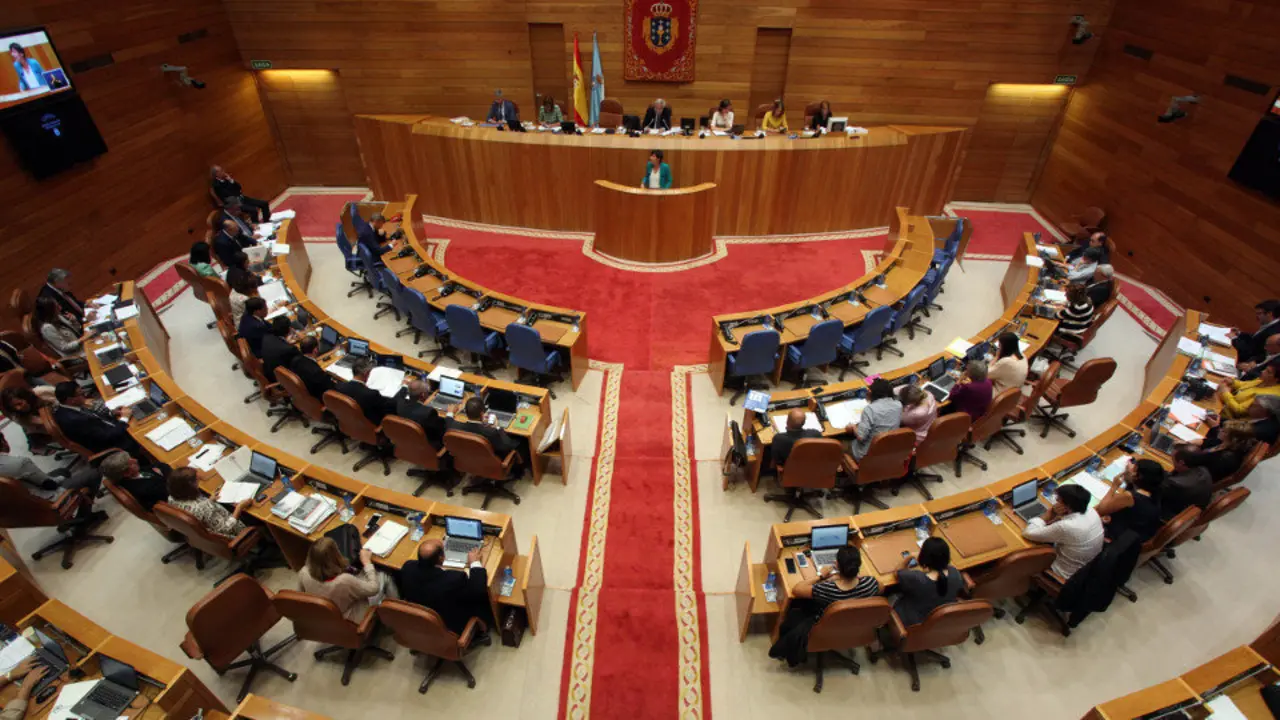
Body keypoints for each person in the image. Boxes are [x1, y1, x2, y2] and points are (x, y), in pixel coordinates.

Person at [399, 538, 494, 637]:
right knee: (483, 599)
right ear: (441, 558)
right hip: (451, 625)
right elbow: (478, 591)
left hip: (423, 619)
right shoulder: (454, 579)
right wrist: (475, 563)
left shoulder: (407, 567)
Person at [1021, 484, 1104, 580]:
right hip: (1086, 568)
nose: (1055, 502)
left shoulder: (1068, 526)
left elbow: (1028, 533)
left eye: (1058, 500)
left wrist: (1047, 516)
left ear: (1067, 506)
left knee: (1023, 550)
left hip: (1064, 573)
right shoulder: (1091, 511)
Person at [299, 537, 393, 622]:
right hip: (350, 619)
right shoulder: (344, 581)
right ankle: (394, 618)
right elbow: (374, 588)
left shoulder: (304, 572)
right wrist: (367, 562)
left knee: (359, 574)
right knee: (385, 575)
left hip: (325, 616)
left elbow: (302, 597)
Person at [52, 382, 141, 456]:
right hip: (115, 445)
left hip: (109, 429)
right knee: (145, 426)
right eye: (81, 394)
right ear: (71, 400)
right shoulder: (75, 420)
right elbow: (108, 436)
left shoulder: (68, 408)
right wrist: (124, 418)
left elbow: (95, 418)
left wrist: (112, 413)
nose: (85, 395)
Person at [894, 537, 962, 626]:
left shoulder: (917, 578)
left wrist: (910, 556)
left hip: (915, 621)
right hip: (938, 620)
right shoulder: (955, 573)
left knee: (891, 596)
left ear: (923, 557)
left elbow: (897, 572)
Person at [791, 546, 880, 612]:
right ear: (859, 565)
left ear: (836, 565)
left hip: (825, 625)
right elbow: (881, 589)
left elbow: (797, 590)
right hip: (855, 623)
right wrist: (856, 576)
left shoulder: (827, 589)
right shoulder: (870, 583)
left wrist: (820, 575)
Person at [167, 467, 248, 538]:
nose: (199, 481)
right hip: (232, 532)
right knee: (251, 514)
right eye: (197, 480)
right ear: (190, 485)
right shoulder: (203, 508)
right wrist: (239, 508)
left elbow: (197, 511)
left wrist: (210, 501)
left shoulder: (172, 498)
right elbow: (226, 529)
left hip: (205, 528)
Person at [1095, 458, 1164, 542]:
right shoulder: (1154, 491)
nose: (1130, 468)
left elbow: (1100, 510)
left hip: (1119, 539)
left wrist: (1114, 487)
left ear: (1138, 476)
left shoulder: (1129, 497)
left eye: (1134, 468)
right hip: (1137, 534)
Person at [847, 378, 903, 460]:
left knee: (840, 444)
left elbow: (861, 437)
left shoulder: (870, 409)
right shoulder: (898, 405)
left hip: (867, 455)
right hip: (887, 450)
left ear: (872, 394)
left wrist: (853, 427)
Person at [98, 450, 169, 511]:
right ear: (126, 473)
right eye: (131, 463)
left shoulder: (134, 473)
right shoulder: (144, 489)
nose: (136, 460)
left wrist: (160, 472)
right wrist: (161, 473)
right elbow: (169, 487)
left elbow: (159, 465)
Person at [335, 358, 396, 425]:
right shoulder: (371, 394)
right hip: (369, 424)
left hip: (348, 420)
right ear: (366, 374)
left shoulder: (339, 386)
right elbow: (388, 408)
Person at [1161, 445, 1213, 521]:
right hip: (1189, 512)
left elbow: (1158, 494)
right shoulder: (1204, 471)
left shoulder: (1176, 484)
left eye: (1173, 460)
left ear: (1182, 463)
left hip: (1169, 516)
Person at [1182, 423, 1250, 481]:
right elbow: (1205, 442)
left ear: (1233, 438)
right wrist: (1187, 442)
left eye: (1224, 431)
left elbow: (1194, 463)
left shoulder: (1223, 458)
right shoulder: (1225, 443)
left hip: (1193, 475)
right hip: (1194, 462)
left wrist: (1182, 450)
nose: (1220, 430)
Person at [394, 380, 447, 446]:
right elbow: (443, 427)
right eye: (427, 392)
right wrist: (450, 413)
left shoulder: (400, 402)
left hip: (407, 440)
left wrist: (405, 386)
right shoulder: (428, 413)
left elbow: (399, 395)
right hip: (427, 445)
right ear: (423, 394)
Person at [289, 336, 335, 400]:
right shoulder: (316, 372)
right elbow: (330, 387)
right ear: (315, 350)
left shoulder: (295, 360)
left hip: (302, 395)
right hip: (319, 398)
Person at [259, 317, 299, 382]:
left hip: (270, 373)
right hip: (285, 382)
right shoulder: (289, 349)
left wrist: (285, 341)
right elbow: (300, 360)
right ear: (289, 329)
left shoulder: (266, 337)